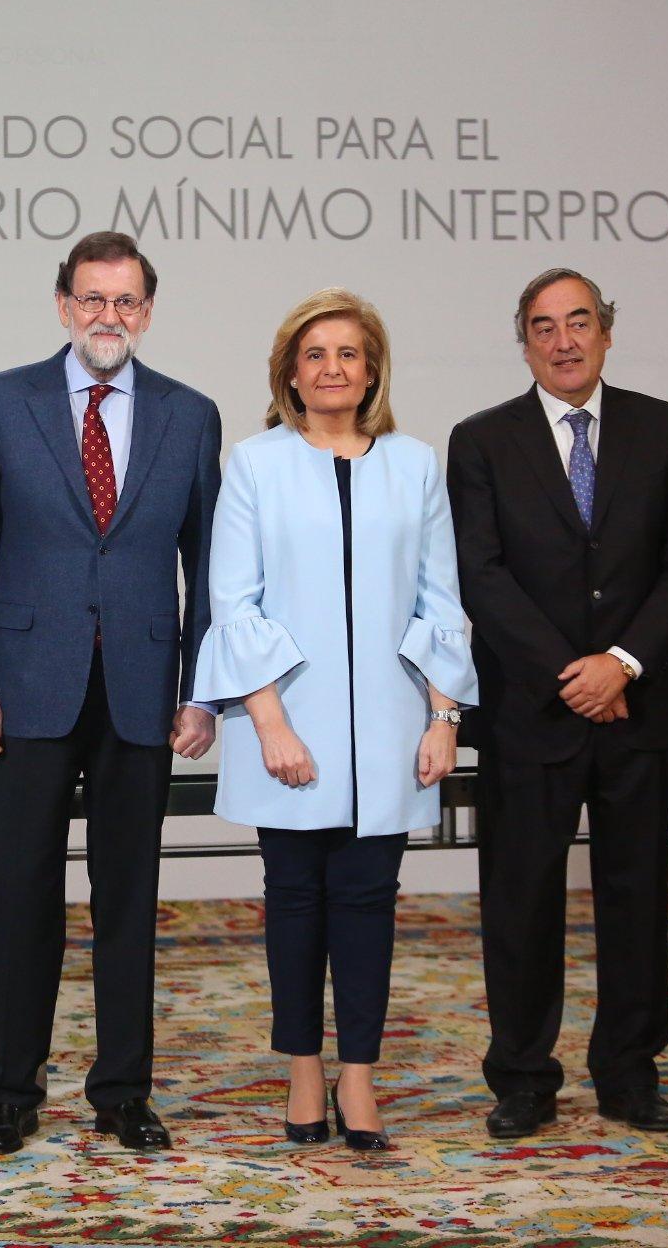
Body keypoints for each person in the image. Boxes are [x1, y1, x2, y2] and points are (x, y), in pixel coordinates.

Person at [0, 232, 222, 1154]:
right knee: (19, 894)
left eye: (126, 301)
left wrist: (204, 691)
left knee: (128, 900)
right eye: (93, 299)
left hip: (144, 690)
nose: (109, 316)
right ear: (64, 305)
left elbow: (209, 568)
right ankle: (9, 1091)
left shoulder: (190, 414)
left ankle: (124, 1092)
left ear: (148, 311)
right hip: (25, 689)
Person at [191, 289, 476, 1151]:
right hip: (285, 726)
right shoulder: (255, 464)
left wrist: (444, 717)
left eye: (349, 353)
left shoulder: (415, 464)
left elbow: (440, 600)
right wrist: (270, 724)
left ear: (372, 370)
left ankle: (359, 1076)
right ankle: (303, 1070)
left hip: (393, 729)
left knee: (367, 901)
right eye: (314, 354)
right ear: (289, 373)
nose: (332, 369)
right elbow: (234, 601)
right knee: (293, 899)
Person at [447, 269, 668, 1139]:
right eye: (544, 327)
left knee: (636, 898)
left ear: (606, 331)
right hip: (532, 711)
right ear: (523, 342)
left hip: (642, 706)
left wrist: (622, 664)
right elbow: (481, 573)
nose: (564, 341)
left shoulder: (665, 428)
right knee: (520, 902)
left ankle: (630, 1074)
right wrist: (574, 674)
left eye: (580, 322)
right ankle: (524, 1078)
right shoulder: (481, 440)